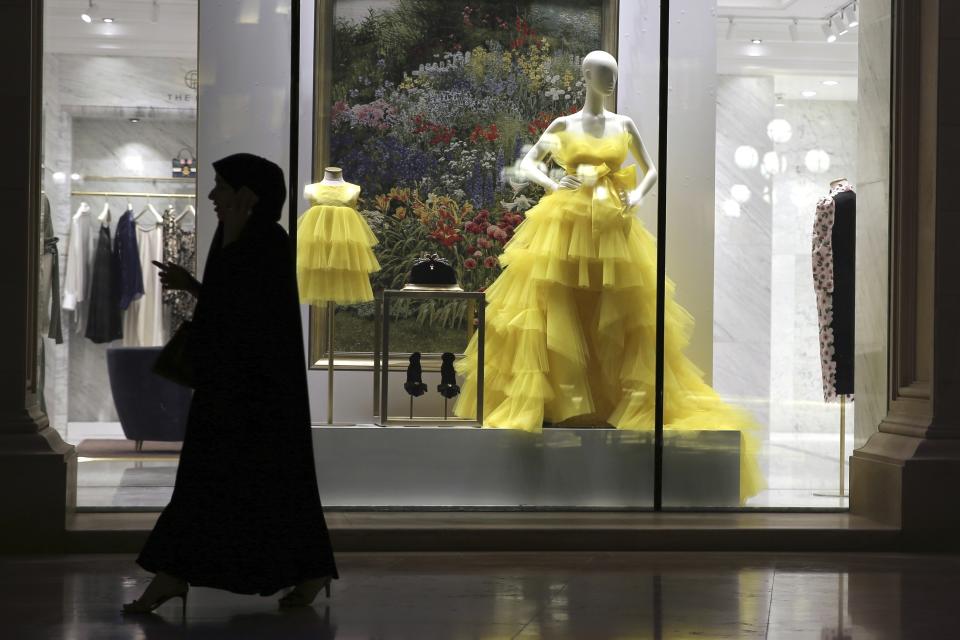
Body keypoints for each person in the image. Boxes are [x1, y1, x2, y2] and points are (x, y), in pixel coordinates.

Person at [123, 153, 338, 614]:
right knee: (224, 482)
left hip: (255, 397)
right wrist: (194, 286)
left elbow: (253, 319)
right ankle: (175, 573)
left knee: (241, 481)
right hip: (235, 391)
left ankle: (176, 574)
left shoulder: (269, 242)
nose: (212, 196)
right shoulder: (239, 239)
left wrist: (202, 291)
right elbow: (233, 306)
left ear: (247, 195)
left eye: (221, 186)